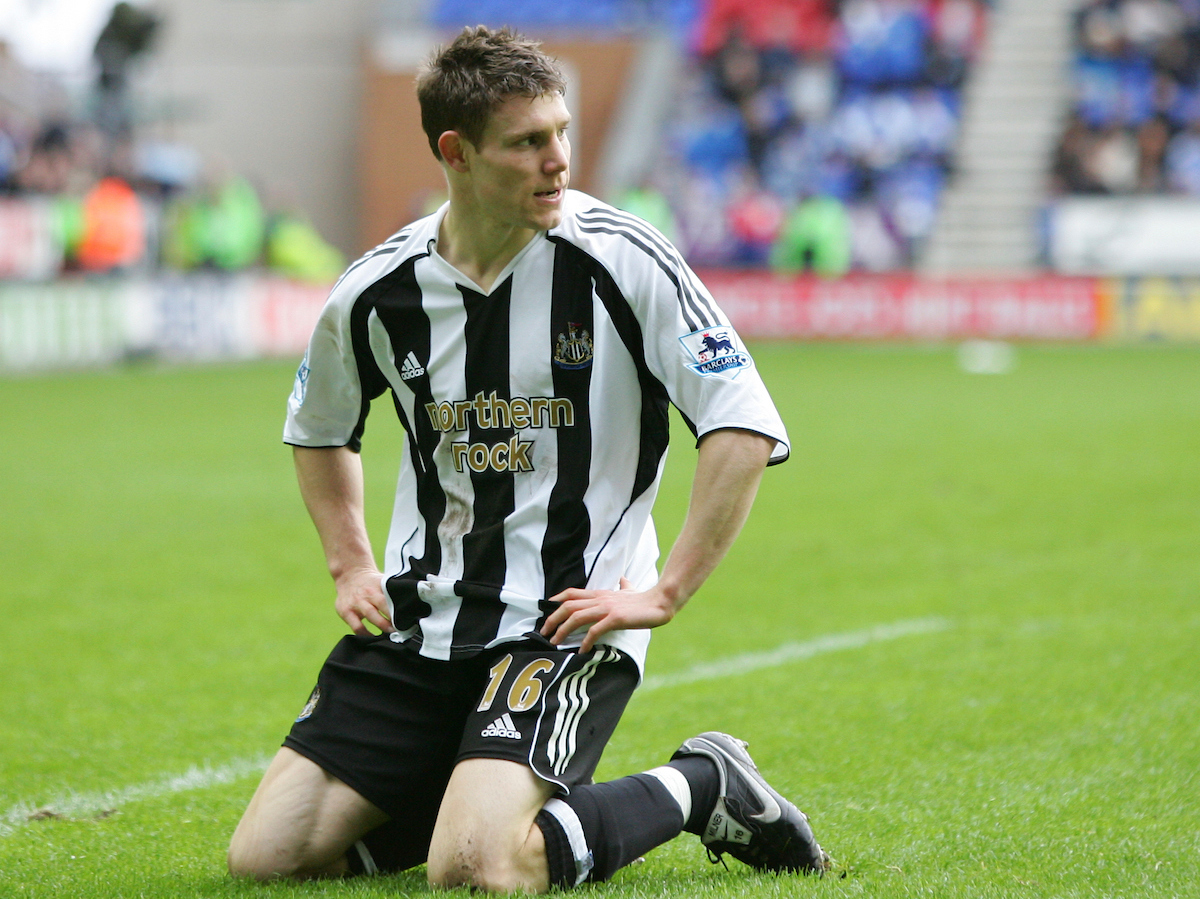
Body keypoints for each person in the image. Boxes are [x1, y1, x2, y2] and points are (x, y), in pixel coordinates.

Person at [227, 25, 830, 892]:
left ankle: (703, 783)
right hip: (423, 616)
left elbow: (740, 421)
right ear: (456, 152)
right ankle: (471, 783)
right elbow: (320, 425)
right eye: (528, 142)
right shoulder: (376, 291)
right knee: (269, 857)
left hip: (564, 616)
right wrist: (349, 560)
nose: (559, 160)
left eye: (562, 132)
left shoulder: (623, 259)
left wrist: (664, 591)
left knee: (475, 871)